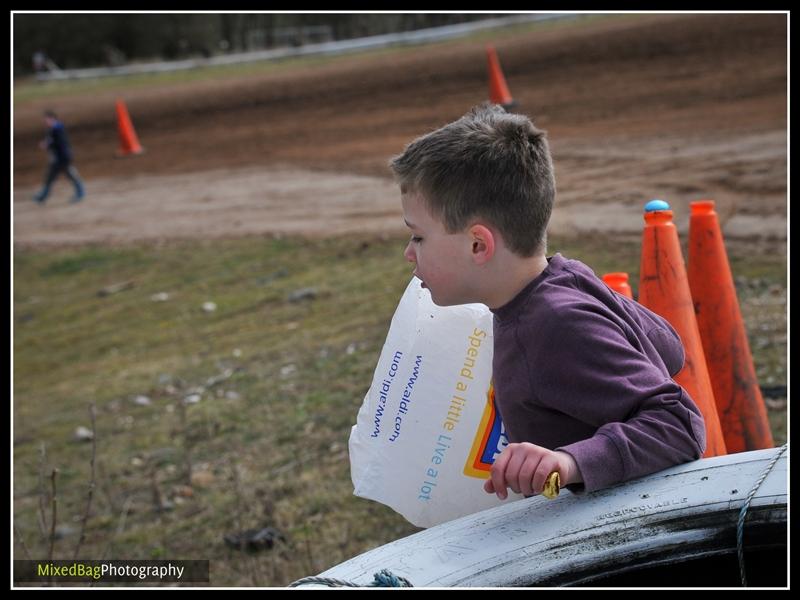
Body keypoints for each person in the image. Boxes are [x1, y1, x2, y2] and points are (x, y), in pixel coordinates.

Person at [389, 103, 705, 499]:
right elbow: (667, 349)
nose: (409, 252)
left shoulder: (555, 325)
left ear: (478, 244)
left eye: (418, 237)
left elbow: (679, 423)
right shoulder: (566, 276)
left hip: (619, 536)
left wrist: (571, 462)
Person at [33, 110, 85, 205]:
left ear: (52, 119)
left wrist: (47, 145)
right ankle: (42, 196)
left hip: (62, 158)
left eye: (46, 120)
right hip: (58, 159)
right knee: (52, 177)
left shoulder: (57, 129)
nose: (44, 122)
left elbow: (60, 143)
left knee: (69, 176)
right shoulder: (52, 129)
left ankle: (80, 193)